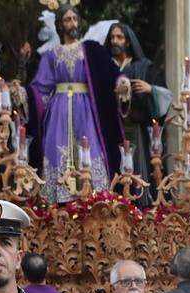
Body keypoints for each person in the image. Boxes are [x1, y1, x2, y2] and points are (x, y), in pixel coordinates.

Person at [26, 3, 130, 201]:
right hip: (59, 112)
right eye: (67, 19)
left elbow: (110, 74)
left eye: (74, 19)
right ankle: (59, 200)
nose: (73, 23)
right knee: (57, 151)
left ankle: (92, 197)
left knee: (90, 150)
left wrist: (122, 83)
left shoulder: (91, 49)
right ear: (59, 25)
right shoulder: (51, 55)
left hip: (86, 111)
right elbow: (40, 88)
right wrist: (24, 94)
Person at [104, 21, 168, 195]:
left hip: (135, 128)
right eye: (112, 37)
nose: (115, 41)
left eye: (119, 37)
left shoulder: (144, 67)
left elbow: (165, 96)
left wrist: (150, 89)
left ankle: (139, 208)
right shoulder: (104, 67)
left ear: (128, 41)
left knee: (139, 170)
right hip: (111, 130)